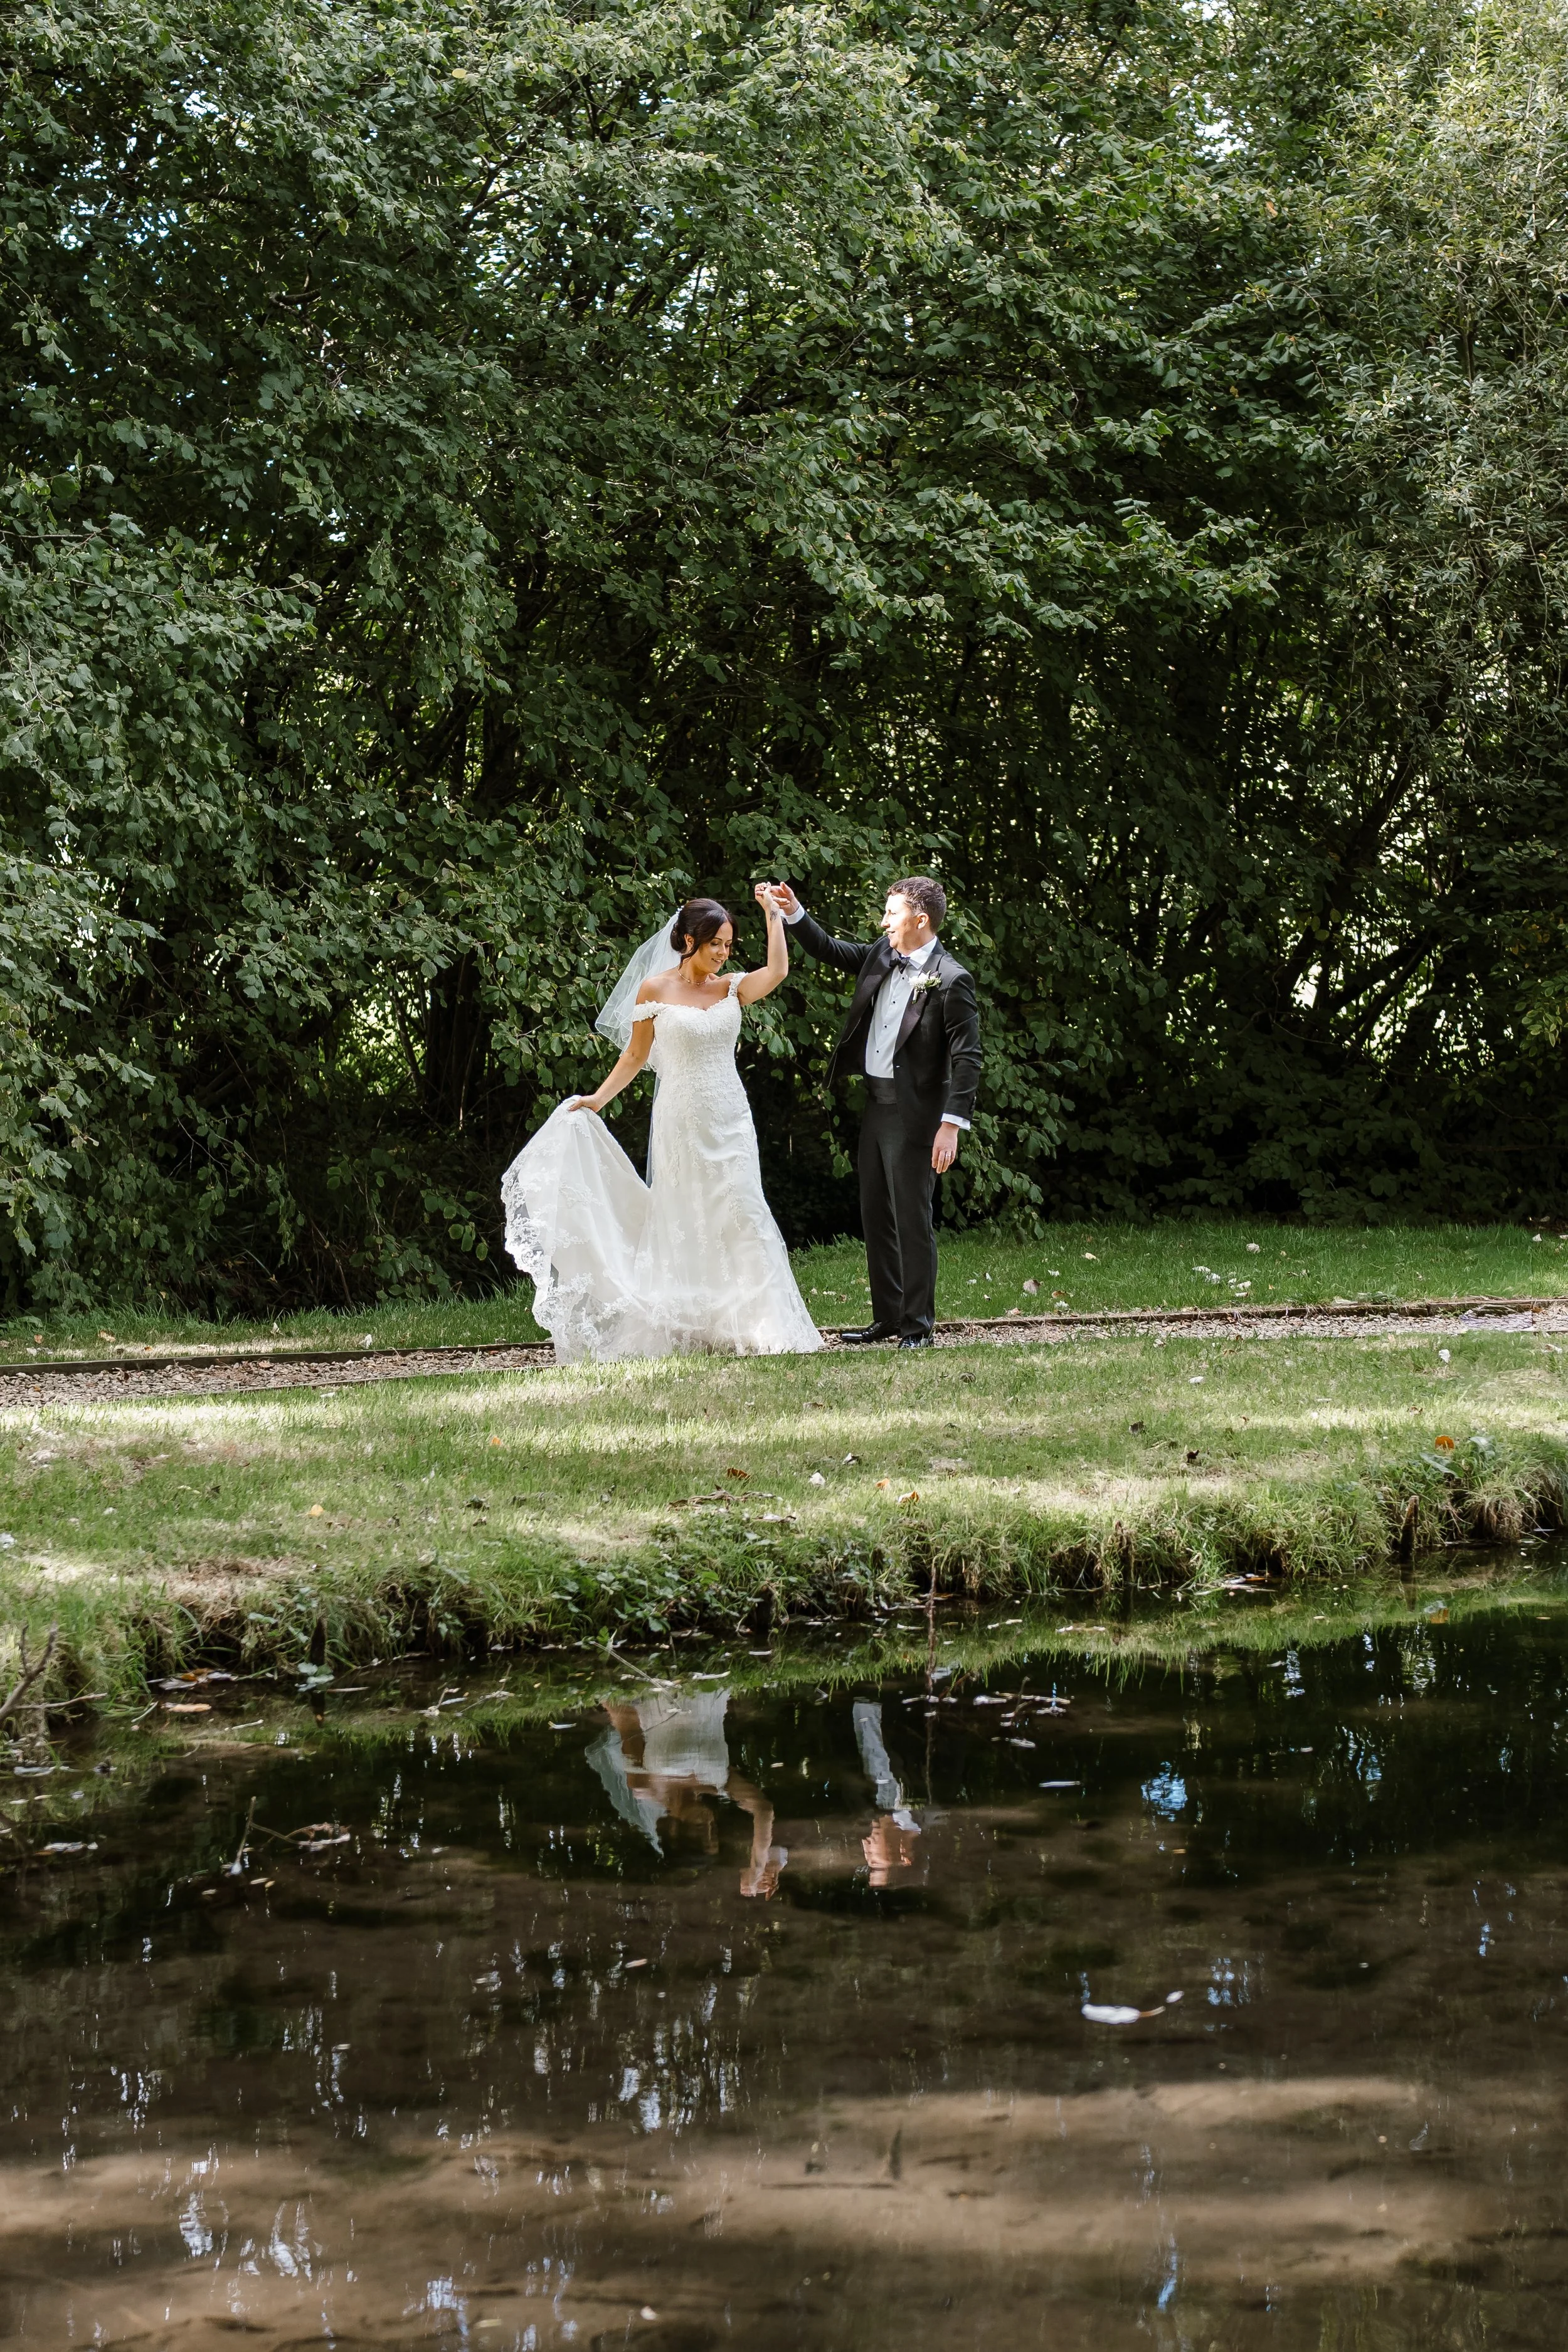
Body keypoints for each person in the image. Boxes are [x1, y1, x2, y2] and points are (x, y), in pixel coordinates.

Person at [500, 893, 823, 1362]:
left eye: (729, 946)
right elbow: (634, 1056)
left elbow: (776, 973)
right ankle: (691, 1322)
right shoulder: (654, 990)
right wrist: (595, 1101)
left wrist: (774, 917)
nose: (722, 954)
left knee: (744, 1211)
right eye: (715, 943)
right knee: (687, 1214)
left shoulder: (731, 987)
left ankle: (762, 1325)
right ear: (689, 939)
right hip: (681, 1119)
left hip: (731, 1117)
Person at [768, 877, 981, 1348]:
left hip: (917, 1116)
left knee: (911, 1219)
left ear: (919, 920)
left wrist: (951, 1125)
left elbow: (969, 1058)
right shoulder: (881, 956)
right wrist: (795, 912)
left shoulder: (951, 979)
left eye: (891, 914)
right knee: (876, 1215)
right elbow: (828, 949)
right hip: (877, 1107)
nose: (883, 922)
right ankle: (887, 1317)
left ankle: (918, 1327)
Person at [588, 1687, 786, 1898]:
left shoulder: (643, 1784)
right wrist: (756, 1868)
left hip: (659, 1686)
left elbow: (626, 1723)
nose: (711, 1824)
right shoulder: (720, 1785)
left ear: (673, 1831)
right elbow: (763, 1810)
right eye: (714, 1833)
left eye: (702, 1832)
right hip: (713, 1683)